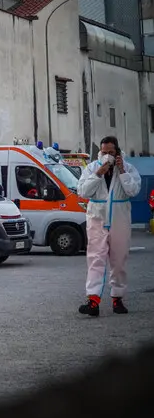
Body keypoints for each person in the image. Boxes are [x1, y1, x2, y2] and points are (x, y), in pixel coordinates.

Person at [76, 136, 141, 317]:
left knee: (119, 259)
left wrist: (121, 171)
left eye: (111, 153)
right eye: (104, 152)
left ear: (117, 152)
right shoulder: (91, 168)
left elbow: (133, 191)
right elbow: (82, 191)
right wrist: (99, 173)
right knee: (95, 258)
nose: (107, 155)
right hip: (97, 217)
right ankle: (93, 300)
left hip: (120, 217)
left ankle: (117, 298)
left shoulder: (128, 168)